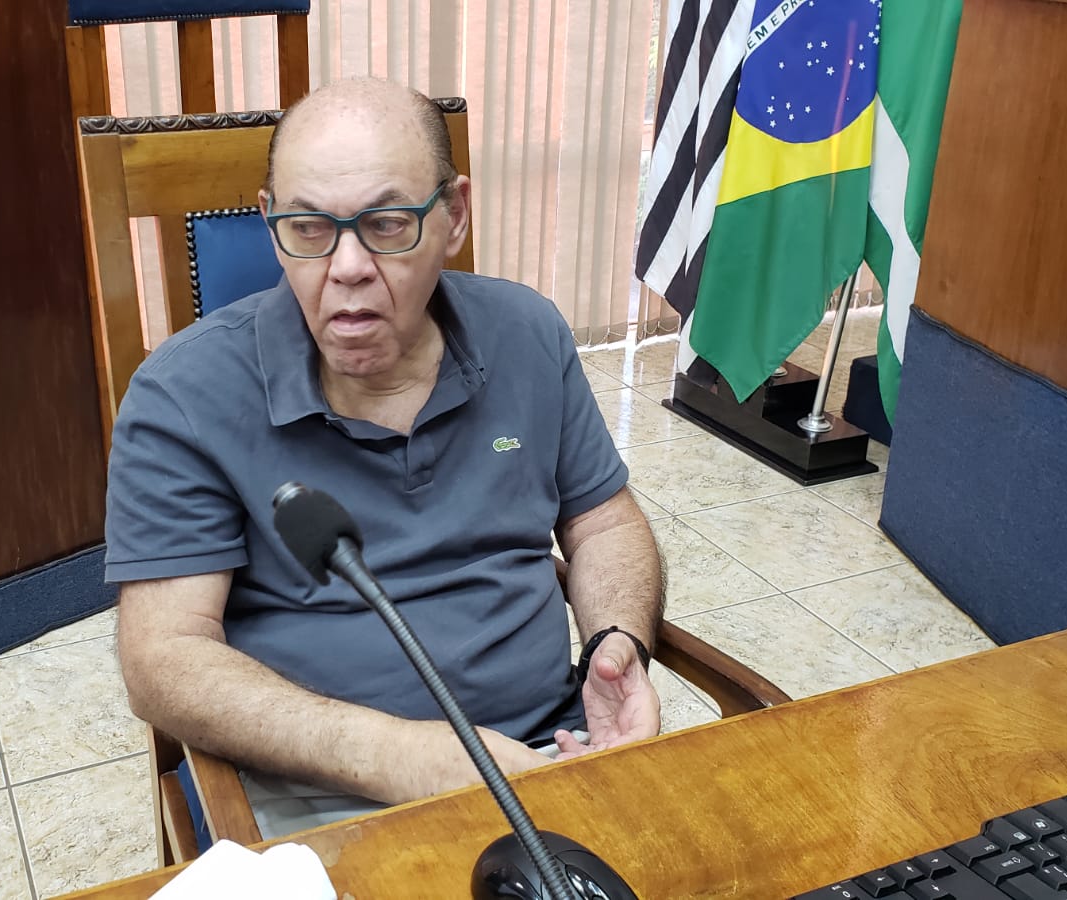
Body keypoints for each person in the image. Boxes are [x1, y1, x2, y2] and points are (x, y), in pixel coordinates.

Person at [105, 77, 664, 839]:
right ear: (271, 224)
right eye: (308, 228)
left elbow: (604, 525)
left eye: (387, 223)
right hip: (316, 793)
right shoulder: (183, 393)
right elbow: (164, 656)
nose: (347, 267)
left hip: (552, 752)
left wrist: (616, 645)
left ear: (454, 215)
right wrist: (397, 757)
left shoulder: (527, 332)